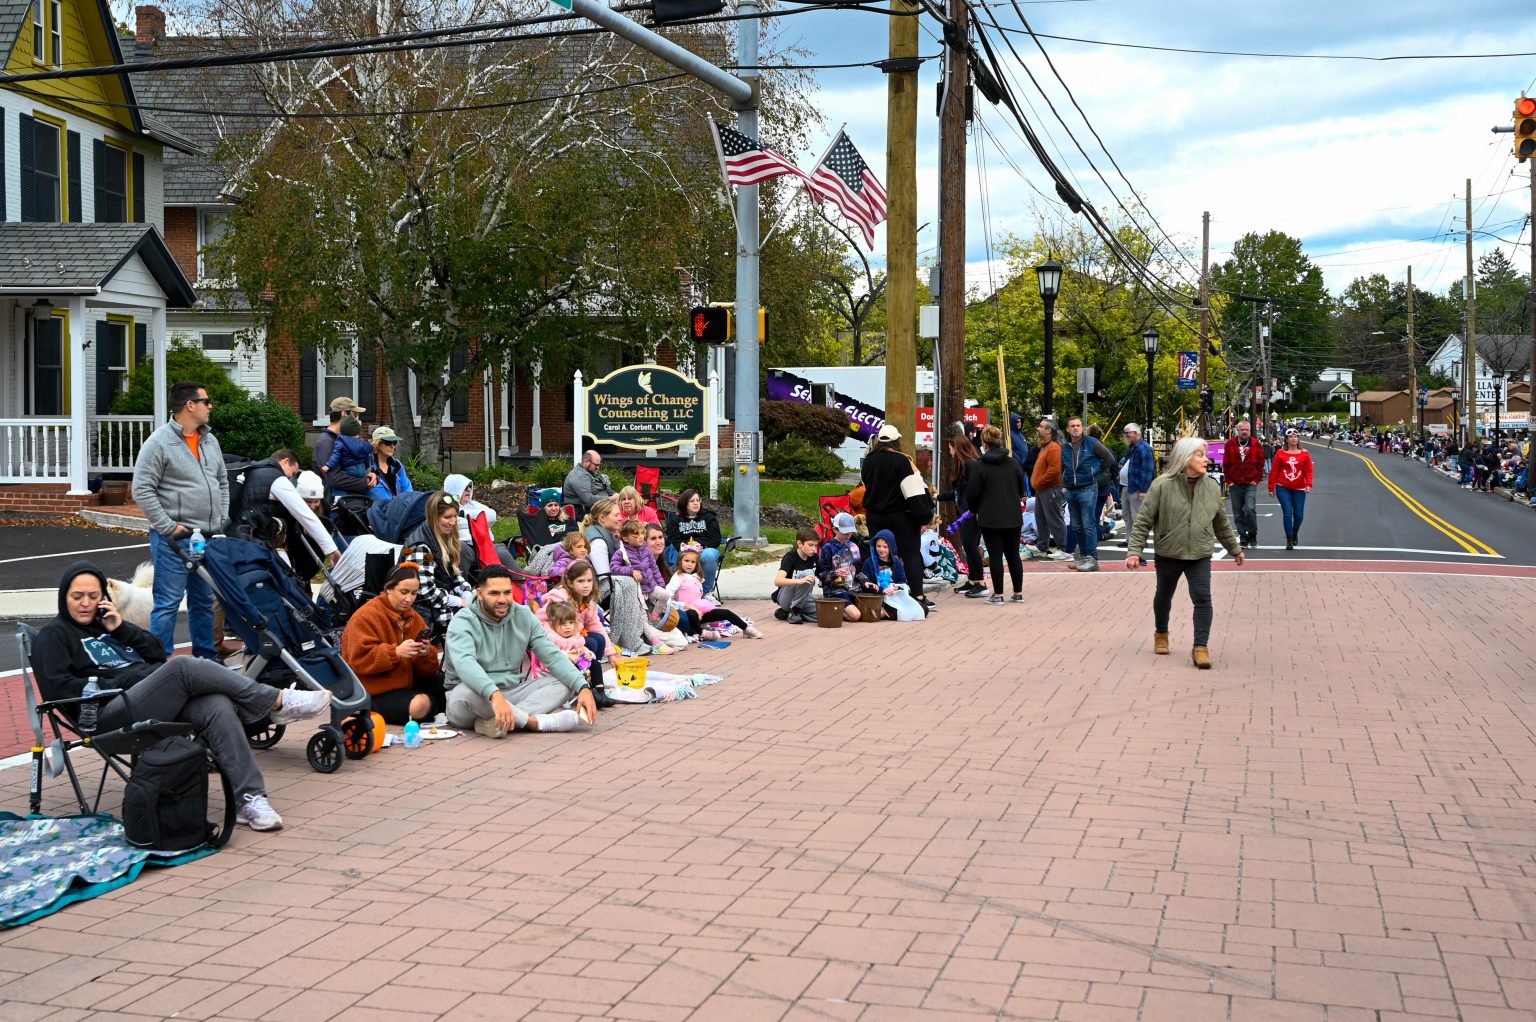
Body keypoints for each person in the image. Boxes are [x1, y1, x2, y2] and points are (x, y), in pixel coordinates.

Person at [34, 562, 332, 831]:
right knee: (183, 666)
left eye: (93, 596)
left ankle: (249, 799)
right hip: (106, 716)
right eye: (77, 597)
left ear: (104, 597)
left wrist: (121, 628)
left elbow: (153, 653)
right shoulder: (54, 636)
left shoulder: (108, 624)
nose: (86, 604)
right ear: (64, 598)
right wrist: (126, 678)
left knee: (215, 704)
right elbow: (62, 691)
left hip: (144, 701)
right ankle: (274, 702)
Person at [1125, 437, 1244, 669]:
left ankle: (1200, 647)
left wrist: (1234, 549)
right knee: (1164, 595)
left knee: (1203, 598)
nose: (1206, 459)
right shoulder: (1161, 485)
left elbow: (1220, 522)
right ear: (1185, 457)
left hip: (1199, 553)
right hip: (1169, 552)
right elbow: (1143, 521)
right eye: (1200, 454)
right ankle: (1161, 633)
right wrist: (1134, 551)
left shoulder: (1211, 487)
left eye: (1205, 454)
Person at [131, 380, 229, 660]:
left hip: (205, 537)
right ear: (189, 405)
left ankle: (206, 660)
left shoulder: (210, 440)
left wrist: (221, 517)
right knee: (168, 603)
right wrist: (167, 526)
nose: (210, 407)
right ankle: (157, 665)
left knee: (203, 602)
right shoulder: (159, 442)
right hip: (172, 540)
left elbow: (222, 481)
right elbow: (141, 488)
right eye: (206, 402)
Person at [443, 566, 596, 737]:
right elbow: (465, 664)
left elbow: (552, 656)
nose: (502, 599)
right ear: (479, 593)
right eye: (494, 593)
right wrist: (494, 695)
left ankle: (501, 722)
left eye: (507, 593)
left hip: (513, 693)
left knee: (565, 682)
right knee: (465, 692)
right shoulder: (462, 621)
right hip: (473, 700)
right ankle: (533, 723)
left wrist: (583, 687)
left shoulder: (523, 615)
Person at [340, 565, 445, 725]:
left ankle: (434, 709)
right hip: (374, 691)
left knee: (447, 684)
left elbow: (429, 673)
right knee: (420, 705)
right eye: (404, 592)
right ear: (388, 588)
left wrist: (425, 654)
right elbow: (359, 661)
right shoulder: (365, 616)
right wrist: (395, 653)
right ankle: (435, 709)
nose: (409, 599)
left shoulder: (414, 617)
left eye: (414, 593)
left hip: (407, 685)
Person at [233, 449, 341, 581]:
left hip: (235, 533)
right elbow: (304, 514)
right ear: (285, 462)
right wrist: (331, 549)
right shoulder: (276, 477)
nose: (291, 479)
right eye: (293, 473)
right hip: (252, 537)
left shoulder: (253, 469)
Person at [859, 424, 929, 609]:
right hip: (901, 517)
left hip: (875, 516)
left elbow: (866, 485)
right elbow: (913, 492)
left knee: (880, 554)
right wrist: (924, 516)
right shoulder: (902, 461)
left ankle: (881, 593)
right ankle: (918, 596)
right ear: (896, 440)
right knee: (911, 554)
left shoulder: (868, 461)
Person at [402, 492, 477, 638]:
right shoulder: (420, 547)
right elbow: (425, 592)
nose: (452, 522)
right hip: (425, 612)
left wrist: (467, 593)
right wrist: (460, 601)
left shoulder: (442, 537)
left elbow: (453, 574)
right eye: (447, 517)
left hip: (440, 604)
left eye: (455, 516)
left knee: (487, 606)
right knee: (482, 620)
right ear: (433, 517)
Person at [966, 424, 1026, 605]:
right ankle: (1018, 592)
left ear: (985, 442)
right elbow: (1021, 488)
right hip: (1013, 515)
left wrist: (975, 510)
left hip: (990, 516)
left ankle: (998, 594)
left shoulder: (981, 465)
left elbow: (973, 493)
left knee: (995, 555)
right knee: (1013, 554)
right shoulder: (1013, 463)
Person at [581, 498, 650, 653]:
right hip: (596, 590)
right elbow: (604, 577)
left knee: (636, 580)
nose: (621, 517)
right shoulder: (598, 541)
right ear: (602, 518)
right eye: (616, 515)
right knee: (628, 583)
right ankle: (630, 639)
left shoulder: (606, 534)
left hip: (602, 583)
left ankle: (640, 634)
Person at [667, 545, 763, 639]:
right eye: (686, 561)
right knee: (692, 613)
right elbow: (667, 597)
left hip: (700, 610)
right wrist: (684, 605)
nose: (689, 564)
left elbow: (697, 596)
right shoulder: (678, 577)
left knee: (726, 612)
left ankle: (746, 628)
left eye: (693, 562)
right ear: (680, 562)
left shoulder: (696, 577)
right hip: (685, 612)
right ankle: (701, 633)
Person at [1060, 417, 1114, 573]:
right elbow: (1062, 467)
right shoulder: (1065, 447)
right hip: (1071, 489)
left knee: (1088, 524)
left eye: (1078, 425)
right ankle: (1084, 557)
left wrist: (1095, 473)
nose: (1076, 428)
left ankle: (1092, 559)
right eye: (1072, 426)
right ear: (1068, 429)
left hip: (1087, 488)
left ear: (1082, 428)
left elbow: (1109, 458)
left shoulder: (1091, 442)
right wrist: (1064, 484)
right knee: (1076, 525)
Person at [537, 561, 612, 669]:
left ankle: (593, 673)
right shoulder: (559, 598)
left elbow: (595, 624)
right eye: (580, 581)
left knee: (600, 639)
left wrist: (611, 653)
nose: (586, 585)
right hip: (559, 639)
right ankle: (578, 674)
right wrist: (551, 639)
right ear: (570, 582)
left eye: (589, 580)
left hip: (574, 634)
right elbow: (540, 620)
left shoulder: (588, 600)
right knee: (591, 643)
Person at [937, 433, 985, 597]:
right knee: (968, 547)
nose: (950, 451)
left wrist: (973, 510)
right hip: (965, 512)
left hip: (970, 513)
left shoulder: (970, 465)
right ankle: (972, 580)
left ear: (957, 449)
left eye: (951, 448)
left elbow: (974, 491)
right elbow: (958, 493)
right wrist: (939, 497)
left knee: (971, 547)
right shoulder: (964, 465)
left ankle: (981, 582)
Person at [538, 601, 607, 700]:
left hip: (577, 663)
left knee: (595, 663)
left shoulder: (574, 636)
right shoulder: (551, 638)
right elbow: (551, 655)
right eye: (563, 624)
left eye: (571, 622)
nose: (568, 626)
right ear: (553, 624)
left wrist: (588, 654)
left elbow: (582, 648)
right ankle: (586, 692)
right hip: (556, 667)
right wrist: (568, 655)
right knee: (574, 667)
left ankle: (600, 692)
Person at [312, 397, 371, 501]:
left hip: (351, 498)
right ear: (344, 413)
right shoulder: (326, 442)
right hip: (337, 504)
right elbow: (334, 479)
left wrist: (370, 474)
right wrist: (365, 482)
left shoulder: (343, 439)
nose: (356, 419)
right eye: (355, 414)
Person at [664, 489, 723, 594]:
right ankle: (679, 591)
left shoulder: (709, 518)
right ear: (684, 503)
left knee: (709, 555)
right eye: (692, 501)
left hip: (705, 549)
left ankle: (706, 593)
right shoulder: (676, 520)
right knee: (677, 553)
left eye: (698, 500)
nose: (696, 503)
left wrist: (700, 544)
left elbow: (715, 539)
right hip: (683, 550)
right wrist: (687, 546)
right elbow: (675, 540)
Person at [1030, 419, 1070, 561]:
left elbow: (1054, 470)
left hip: (1050, 488)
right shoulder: (1045, 446)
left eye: (1041, 426)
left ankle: (1063, 548)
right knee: (1040, 518)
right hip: (1043, 489)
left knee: (1054, 518)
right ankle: (1042, 546)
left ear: (1049, 431)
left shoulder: (1053, 447)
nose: (1038, 428)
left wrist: (1040, 482)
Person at [1269, 429, 1314, 550]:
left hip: (1299, 488)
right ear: (1287, 439)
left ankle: (1294, 532)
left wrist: (1308, 484)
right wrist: (1271, 487)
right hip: (1283, 487)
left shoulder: (1305, 453)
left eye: (1295, 436)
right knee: (1288, 513)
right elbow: (1274, 471)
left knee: (1299, 515)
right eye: (1291, 437)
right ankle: (1289, 539)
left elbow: (1309, 471)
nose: (1293, 438)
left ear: (1298, 439)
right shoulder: (1280, 453)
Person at [816, 512, 865, 622]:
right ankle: (830, 610)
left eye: (850, 532)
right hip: (835, 591)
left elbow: (858, 571)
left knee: (877, 612)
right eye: (844, 532)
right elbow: (821, 575)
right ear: (835, 530)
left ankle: (841, 609)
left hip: (854, 589)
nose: (848, 535)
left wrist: (865, 581)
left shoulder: (854, 546)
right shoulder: (827, 548)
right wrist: (835, 573)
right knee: (855, 615)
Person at [1223, 420, 1265, 548]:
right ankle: (1243, 537)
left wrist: (1256, 480)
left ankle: (1252, 533)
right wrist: (1229, 481)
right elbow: (1226, 464)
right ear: (1238, 430)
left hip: (1250, 483)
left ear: (1250, 430)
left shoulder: (1256, 444)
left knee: (1249, 508)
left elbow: (1261, 464)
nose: (1244, 432)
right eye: (1242, 429)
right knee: (1238, 513)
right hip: (1235, 484)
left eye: (1247, 429)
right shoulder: (1230, 444)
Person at [772, 528, 820, 624]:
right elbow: (777, 581)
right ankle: (794, 611)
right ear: (799, 543)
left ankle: (787, 614)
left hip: (804, 597)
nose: (814, 549)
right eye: (810, 545)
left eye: (815, 545)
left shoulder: (814, 557)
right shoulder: (790, 557)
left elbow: (822, 575)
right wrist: (799, 581)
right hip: (786, 597)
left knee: (825, 613)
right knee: (808, 573)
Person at [1120, 424, 1155, 545]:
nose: (1126, 435)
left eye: (1128, 433)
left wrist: (1144, 490)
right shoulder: (1133, 447)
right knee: (1127, 515)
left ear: (1136, 433)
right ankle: (1130, 540)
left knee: (1136, 517)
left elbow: (1147, 470)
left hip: (1136, 488)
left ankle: (1138, 541)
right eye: (1125, 433)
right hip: (1127, 486)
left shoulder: (1144, 448)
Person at [443, 474, 496, 550]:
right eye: (465, 487)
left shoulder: (473, 504)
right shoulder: (446, 506)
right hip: (466, 546)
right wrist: (480, 520)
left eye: (470, 486)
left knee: (503, 552)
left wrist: (464, 513)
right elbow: (455, 524)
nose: (469, 489)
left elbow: (492, 516)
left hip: (487, 544)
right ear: (455, 489)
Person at [322, 417, 378, 488]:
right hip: (362, 469)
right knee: (363, 486)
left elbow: (336, 455)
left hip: (349, 469)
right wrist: (366, 469)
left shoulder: (340, 442)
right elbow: (366, 457)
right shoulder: (362, 443)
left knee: (341, 486)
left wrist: (328, 465)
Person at [367, 426, 414, 501]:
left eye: (394, 442)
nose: (392, 446)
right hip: (376, 510)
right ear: (377, 443)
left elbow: (408, 490)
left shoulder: (397, 465)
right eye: (388, 442)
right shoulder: (368, 465)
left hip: (397, 509)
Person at [562, 449, 614, 516]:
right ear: (586, 462)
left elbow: (606, 488)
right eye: (596, 465)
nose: (598, 468)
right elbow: (588, 500)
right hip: (584, 511)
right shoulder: (579, 475)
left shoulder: (592, 471)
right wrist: (610, 499)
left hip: (601, 506)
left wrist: (619, 496)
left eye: (599, 465)